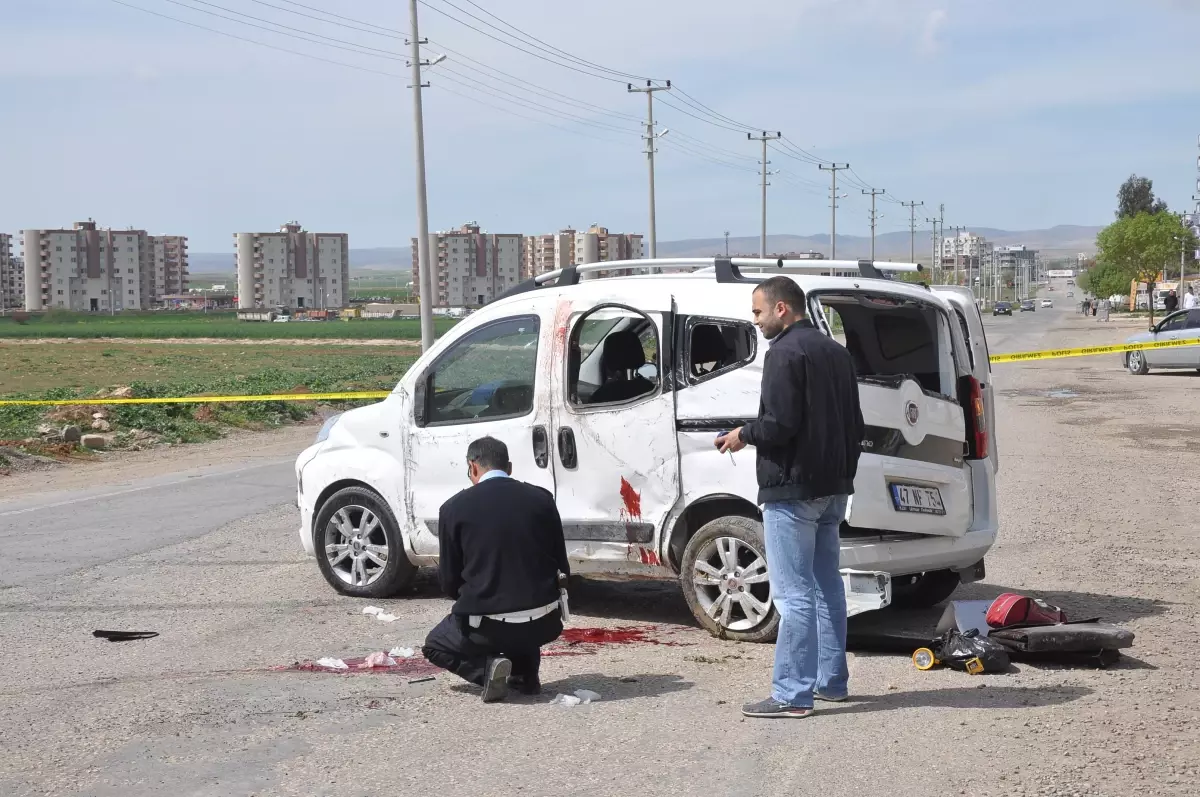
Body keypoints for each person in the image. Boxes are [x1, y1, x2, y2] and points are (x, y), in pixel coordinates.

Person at [716, 276, 864, 719]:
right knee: (825, 588)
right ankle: (831, 683)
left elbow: (779, 424)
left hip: (793, 490)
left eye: (758, 312)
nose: (755, 321)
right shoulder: (837, 354)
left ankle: (792, 694)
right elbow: (855, 425)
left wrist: (743, 434)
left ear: (782, 309)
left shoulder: (784, 353)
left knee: (793, 594)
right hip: (833, 487)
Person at [421, 437, 569, 702]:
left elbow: (449, 582)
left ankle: (490, 672)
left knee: (435, 645)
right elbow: (562, 564)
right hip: (544, 623)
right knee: (522, 609)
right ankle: (525, 674)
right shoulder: (542, 499)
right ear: (509, 467)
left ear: (473, 467)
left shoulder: (454, 508)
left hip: (487, 625)